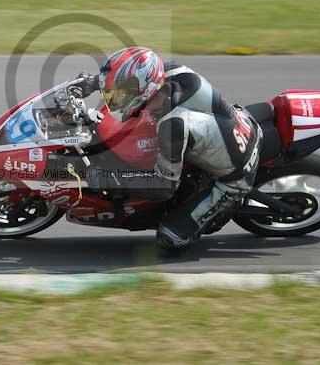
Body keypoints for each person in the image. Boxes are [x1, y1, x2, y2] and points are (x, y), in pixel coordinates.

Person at [73, 46, 263, 251]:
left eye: (121, 93)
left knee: (170, 237)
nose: (116, 97)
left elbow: (163, 186)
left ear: (143, 90)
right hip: (237, 124)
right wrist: (91, 83)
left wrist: (107, 178)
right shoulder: (168, 72)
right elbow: (121, 78)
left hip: (234, 176)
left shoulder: (173, 126)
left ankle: (221, 206)